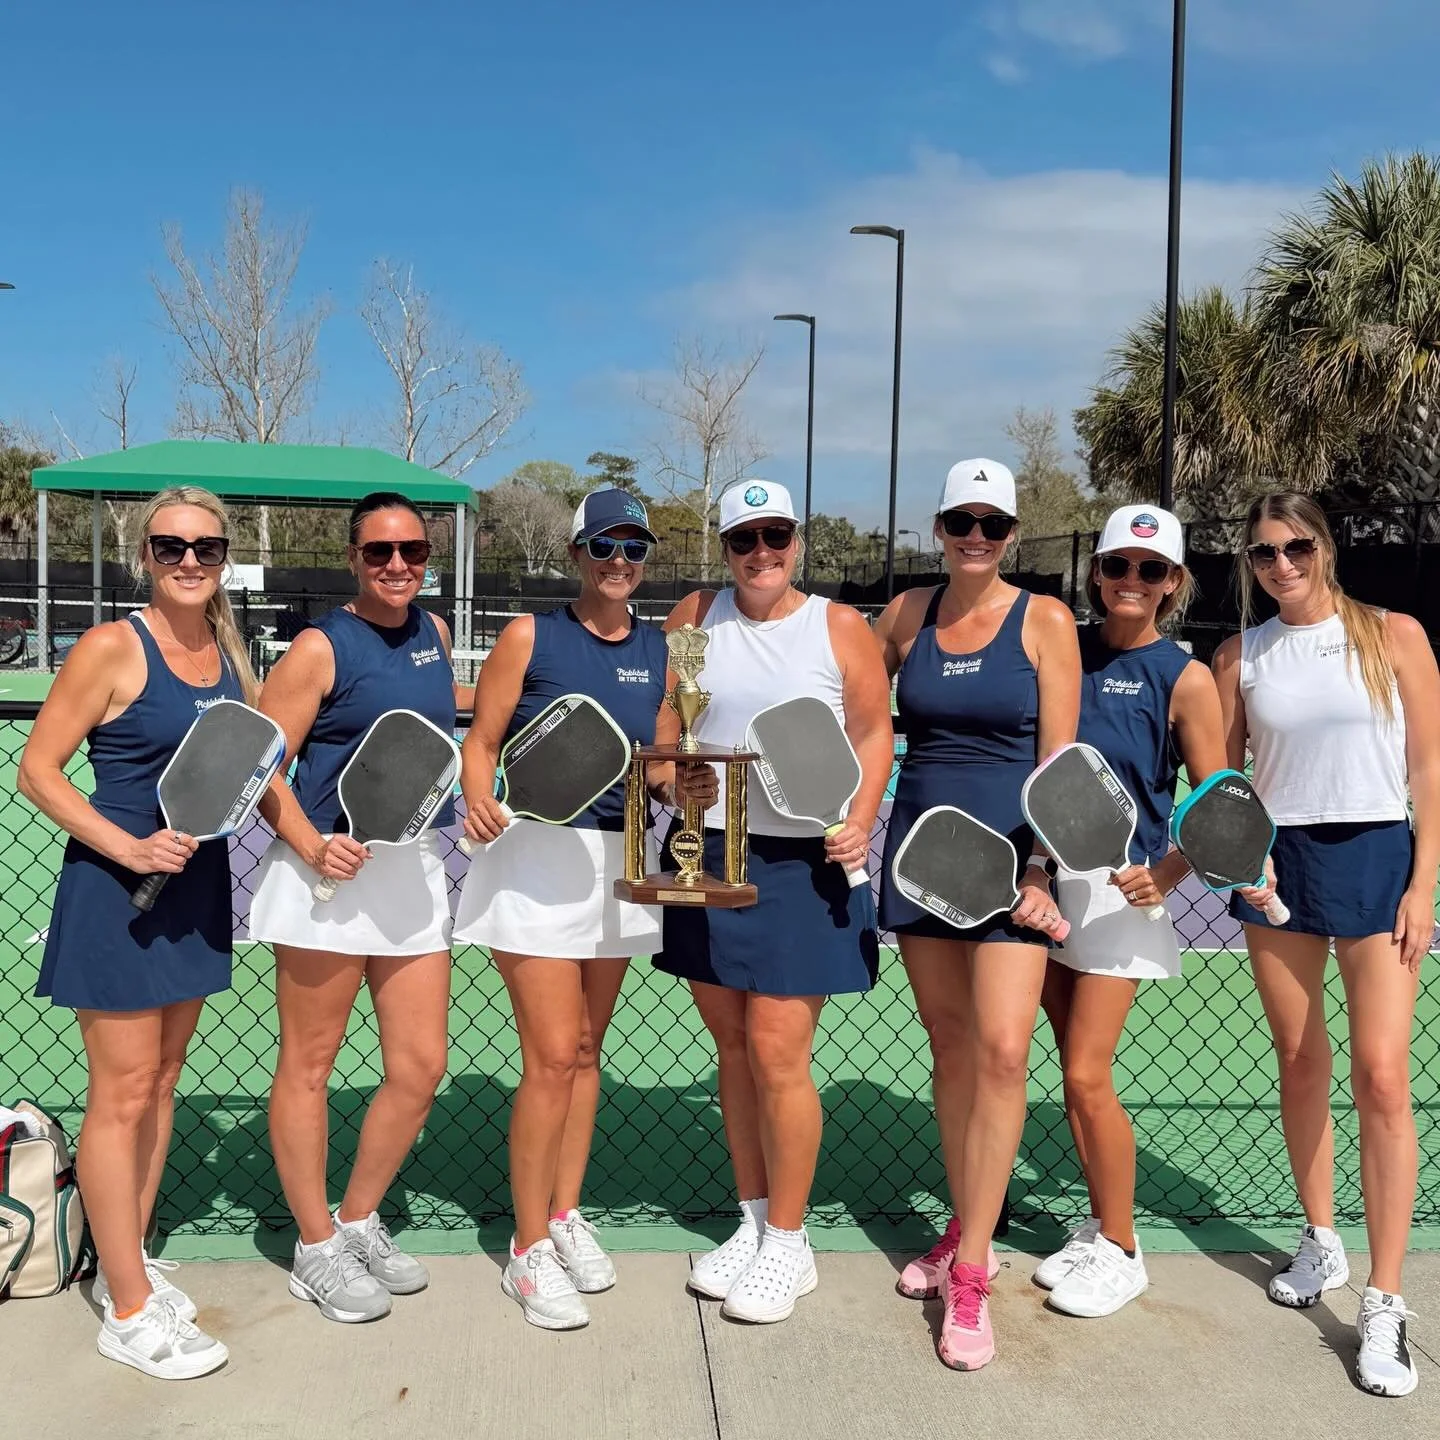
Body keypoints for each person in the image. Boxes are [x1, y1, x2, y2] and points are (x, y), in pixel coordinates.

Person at [18, 487, 255, 1379]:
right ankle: (125, 1310)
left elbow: (253, 754)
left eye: (205, 545)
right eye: (170, 546)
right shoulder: (114, 645)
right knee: (119, 1097)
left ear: (224, 554)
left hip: (194, 893)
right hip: (115, 895)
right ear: (144, 555)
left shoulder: (227, 648)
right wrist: (129, 847)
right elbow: (38, 771)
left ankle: (134, 1262)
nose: (188, 560)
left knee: (160, 1084)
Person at [1212, 492, 1439, 1399]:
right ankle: (1321, 1238)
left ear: (1326, 546)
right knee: (1301, 1058)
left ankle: (1385, 1300)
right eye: (1263, 553)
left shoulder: (1395, 635)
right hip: (1280, 860)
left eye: (1296, 546)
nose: (1282, 565)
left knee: (1382, 1074)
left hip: (1379, 853)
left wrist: (1424, 882)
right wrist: (1238, 865)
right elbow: (1225, 778)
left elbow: (1428, 769)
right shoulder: (1240, 655)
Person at [652, 480, 892, 1324]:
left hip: (802, 865)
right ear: (724, 548)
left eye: (776, 537)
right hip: (711, 852)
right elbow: (670, 730)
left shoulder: (838, 626)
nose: (762, 554)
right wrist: (664, 775)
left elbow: (872, 732)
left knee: (779, 1050)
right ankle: (753, 1221)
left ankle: (791, 1242)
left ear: (797, 541)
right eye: (744, 540)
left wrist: (860, 820)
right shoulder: (692, 617)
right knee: (732, 1049)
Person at [875, 458, 1080, 1372]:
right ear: (940, 525)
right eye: (962, 519)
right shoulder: (907, 614)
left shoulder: (1046, 620)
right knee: (952, 1048)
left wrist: (1041, 867)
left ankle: (972, 1271)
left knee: (1003, 1050)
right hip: (922, 859)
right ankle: (970, 1220)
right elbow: (853, 709)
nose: (976, 536)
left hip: (1015, 865)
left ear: (1011, 535)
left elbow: (1062, 760)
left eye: (993, 524)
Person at [453, 489, 667, 1330]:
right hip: (535, 859)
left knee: (584, 1050)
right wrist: (477, 796)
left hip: (621, 861)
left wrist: (679, 780)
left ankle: (565, 1214)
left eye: (635, 550)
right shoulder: (530, 635)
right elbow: (483, 740)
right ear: (576, 554)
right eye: (605, 549)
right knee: (548, 1054)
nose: (620, 564)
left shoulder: (662, 651)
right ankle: (526, 1247)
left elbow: (653, 762)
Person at [249, 491, 460, 1324]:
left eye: (411, 550)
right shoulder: (317, 646)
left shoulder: (436, 635)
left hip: (409, 871)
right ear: (353, 559)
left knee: (420, 1065)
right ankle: (314, 1246)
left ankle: (359, 1219)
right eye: (380, 552)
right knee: (310, 1065)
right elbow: (260, 767)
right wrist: (309, 842)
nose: (399, 565)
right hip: (325, 877)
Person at [1034, 505, 1226, 1317]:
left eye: (1151, 571)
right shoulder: (1060, 652)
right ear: (1098, 573)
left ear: (1173, 584)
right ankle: (1096, 1220)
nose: (1131, 583)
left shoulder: (1185, 678)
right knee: (1071, 1078)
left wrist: (1169, 873)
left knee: (1087, 1072)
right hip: (1040, 886)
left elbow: (1220, 806)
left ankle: (1122, 1245)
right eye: (1118, 566)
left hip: (1121, 895)